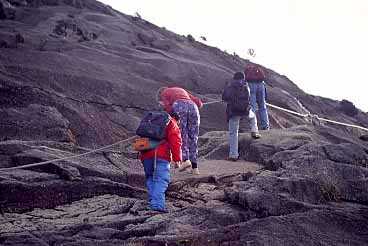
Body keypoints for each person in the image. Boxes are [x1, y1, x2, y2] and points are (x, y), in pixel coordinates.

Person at [140, 113, 182, 213]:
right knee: (161, 180)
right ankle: (157, 205)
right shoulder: (171, 122)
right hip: (161, 155)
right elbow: (176, 141)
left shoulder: (149, 120)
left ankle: (152, 200)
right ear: (175, 118)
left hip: (146, 154)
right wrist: (177, 159)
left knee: (150, 177)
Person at [156, 86, 202, 175]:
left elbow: (168, 107)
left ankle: (185, 160)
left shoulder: (164, 93)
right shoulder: (180, 90)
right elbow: (199, 103)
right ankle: (195, 167)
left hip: (179, 106)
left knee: (181, 134)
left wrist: (169, 116)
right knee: (193, 137)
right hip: (193, 107)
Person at [222, 72, 261, 162]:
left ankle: (233, 155)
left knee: (233, 133)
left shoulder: (231, 86)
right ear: (243, 78)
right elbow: (248, 98)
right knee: (253, 118)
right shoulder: (246, 86)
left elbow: (224, 97)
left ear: (234, 78)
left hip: (234, 111)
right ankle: (254, 132)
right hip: (245, 110)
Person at [245, 64, 270, 130]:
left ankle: (253, 126)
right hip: (261, 85)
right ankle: (265, 126)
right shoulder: (258, 70)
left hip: (251, 85)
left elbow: (246, 79)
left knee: (252, 107)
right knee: (262, 107)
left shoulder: (248, 70)